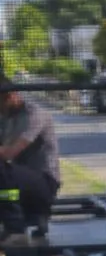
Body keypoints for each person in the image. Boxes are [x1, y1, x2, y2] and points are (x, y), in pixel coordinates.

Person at [0, 75, 61, 242]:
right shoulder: (5, 118)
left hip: (44, 181)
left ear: (11, 96)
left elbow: (9, 153)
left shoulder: (35, 115)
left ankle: (15, 226)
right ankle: (23, 217)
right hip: (19, 180)